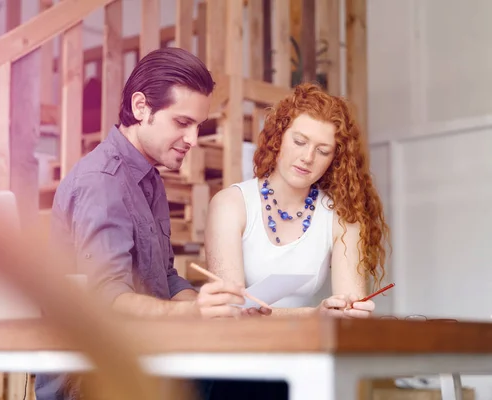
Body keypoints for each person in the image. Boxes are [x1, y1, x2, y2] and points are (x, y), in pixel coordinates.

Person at [34, 47, 246, 400]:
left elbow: (165, 278)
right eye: (182, 123)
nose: (193, 140)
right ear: (140, 108)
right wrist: (192, 313)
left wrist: (212, 308)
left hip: (143, 356)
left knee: (248, 373)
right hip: (94, 378)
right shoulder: (101, 182)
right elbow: (108, 298)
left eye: (198, 126)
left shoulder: (149, 177)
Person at [201, 83, 391, 399]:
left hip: (304, 364)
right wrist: (313, 315)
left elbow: (349, 311)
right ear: (279, 138)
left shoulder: (342, 216)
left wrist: (350, 312)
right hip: (237, 365)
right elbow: (231, 311)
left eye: (323, 150)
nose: (307, 158)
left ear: (336, 158)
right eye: (299, 141)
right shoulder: (231, 204)